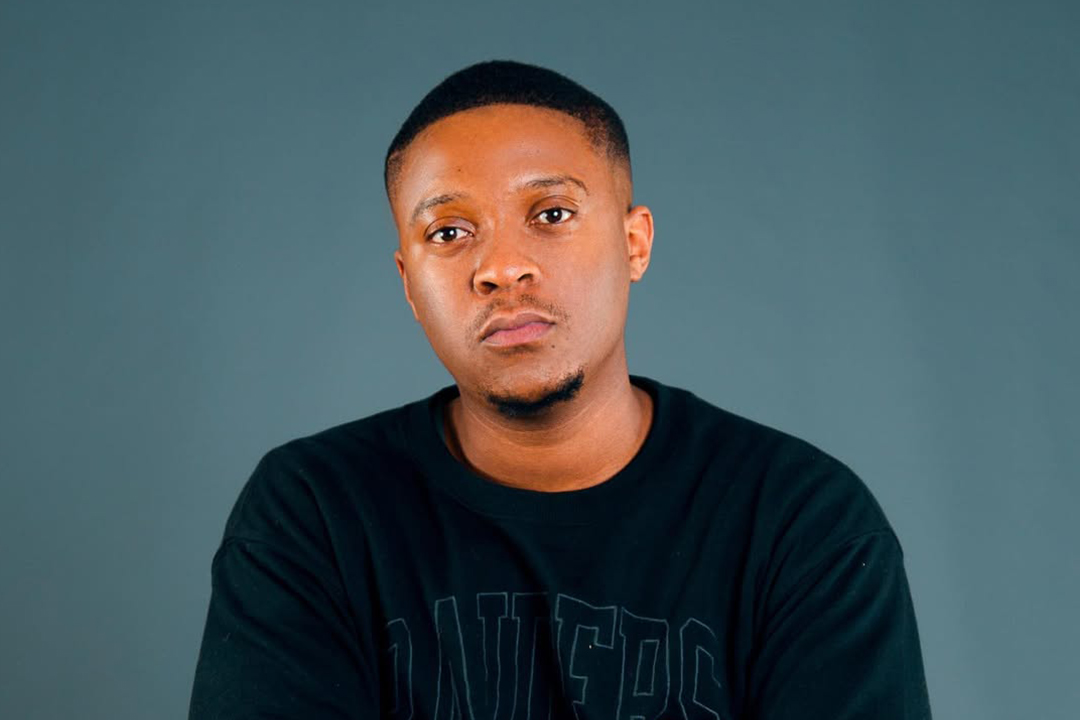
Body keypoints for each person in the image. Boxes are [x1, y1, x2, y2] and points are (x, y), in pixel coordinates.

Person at [188, 59, 933, 719]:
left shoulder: (801, 523)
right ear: (410, 284)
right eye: (449, 233)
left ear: (634, 243)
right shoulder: (315, 512)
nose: (501, 267)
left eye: (551, 214)